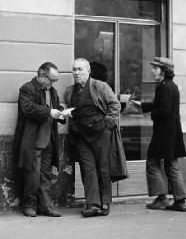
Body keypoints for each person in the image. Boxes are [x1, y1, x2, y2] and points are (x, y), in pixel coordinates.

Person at [63, 58, 121, 217]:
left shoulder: (100, 86)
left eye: (80, 69)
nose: (76, 73)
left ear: (88, 71)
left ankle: (105, 202)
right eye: (74, 69)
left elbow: (115, 105)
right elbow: (69, 109)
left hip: (100, 134)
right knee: (87, 169)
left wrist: (107, 124)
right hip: (81, 136)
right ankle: (93, 204)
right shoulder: (69, 91)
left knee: (103, 168)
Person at [131, 57, 186, 212]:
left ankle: (162, 197)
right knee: (171, 164)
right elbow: (161, 105)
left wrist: (152, 115)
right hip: (172, 132)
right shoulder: (170, 86)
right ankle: (180, 201)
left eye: (156, 68)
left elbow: (163, 110)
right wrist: (142, 105)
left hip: (164, 133)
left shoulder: (164, 87)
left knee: (152, 162)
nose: (152, 71)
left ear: (164, 71)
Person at [15, 62, 65, 218]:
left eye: (56, 80)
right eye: (52, 79)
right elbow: (28, 109)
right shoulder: (27, 89)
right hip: (34, 140)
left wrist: (63, 114)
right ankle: (29, 206)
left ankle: (45, 206)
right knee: (32, 175)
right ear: (42, 76)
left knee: (45, 176)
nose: (54, 83)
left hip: (49, 139)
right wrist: (50, 112)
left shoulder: (53, 91)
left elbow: (55, 109)